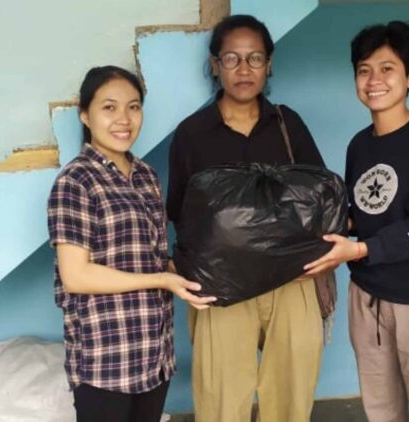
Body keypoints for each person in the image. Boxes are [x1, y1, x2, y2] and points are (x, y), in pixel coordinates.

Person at [167, 15, 327, 422]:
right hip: (221, 286)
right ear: (215, 64)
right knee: (222, 399)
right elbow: (180, 212)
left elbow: (319, 197)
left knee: (291, 394)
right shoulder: (192, 134)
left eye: (255, 58)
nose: (243, 69)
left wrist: (322, 256)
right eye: (232, 58)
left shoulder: (288, 124)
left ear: (268, 64)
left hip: (291, 281)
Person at [304, 21, 409, 422]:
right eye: (364, 70)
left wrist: (359, 249)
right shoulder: (359, 145)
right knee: (381, 410)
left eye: (387, 68)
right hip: (369, 298)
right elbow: (364, 215)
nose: (373, 80)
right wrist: (327, 231)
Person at [47, 65, 215, 422]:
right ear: (85, 115)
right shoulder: (76, 181)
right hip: (106, 360)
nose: (124, 119)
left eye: (133, 107)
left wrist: (189, 275)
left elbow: (152, 257)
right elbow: (76, 276)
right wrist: (161, 280)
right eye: (109, 107)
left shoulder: (146, 176)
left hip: (154, 352)